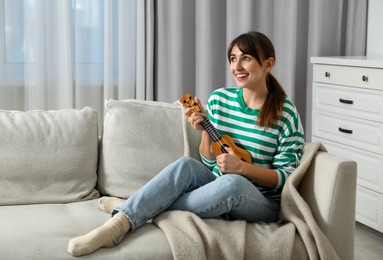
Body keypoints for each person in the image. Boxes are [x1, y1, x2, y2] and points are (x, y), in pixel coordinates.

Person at [67, 31, 305, 256]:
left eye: (246, 59)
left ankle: (135, 205)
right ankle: (118, 225)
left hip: (261, 201)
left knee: (233, 183)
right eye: (233, 59)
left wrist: (242, 169)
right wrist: (204, 131)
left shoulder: (286, 113)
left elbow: (284, 178)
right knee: (185, 165)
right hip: (216, 183)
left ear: (268, 64)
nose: (237, 67)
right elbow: (207, 159)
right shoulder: (220, 99)